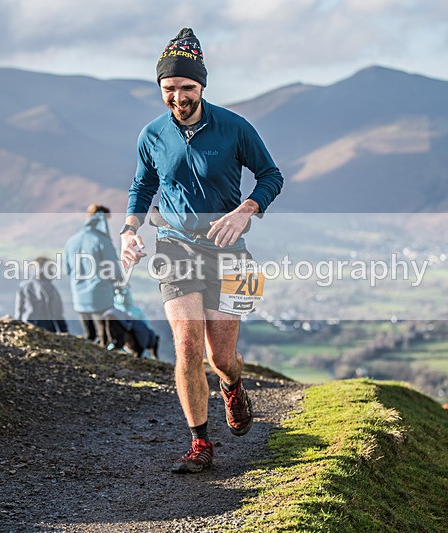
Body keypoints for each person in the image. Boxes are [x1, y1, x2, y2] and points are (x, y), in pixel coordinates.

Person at [119, 28, 283, 473]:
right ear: (160, 88)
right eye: (169, 89)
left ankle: (232, 385)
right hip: (174, 247)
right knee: (188, 348)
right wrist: (130, 231)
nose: (178, 97)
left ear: (202, 86)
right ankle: (200, 444)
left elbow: (271, 176)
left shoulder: (234, 127)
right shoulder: (151, 135)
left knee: (220, 356)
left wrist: (246, 210)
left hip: (230, 252)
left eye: (187, 88)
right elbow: (142, 186)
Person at [63, 204, 122, 347]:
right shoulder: (102, 241)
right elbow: (114, 270)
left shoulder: (71, 241)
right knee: (104, 339)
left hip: (79, 297)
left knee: (88, 336)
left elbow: (67, 269)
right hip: (101, 297)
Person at [14, 256, 68, 334]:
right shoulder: (51, 288)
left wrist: (17, 327)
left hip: (27, 325)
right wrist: (64, 330)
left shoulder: (23, 286)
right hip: (48, 327)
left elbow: (19, 310)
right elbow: (57, 312)